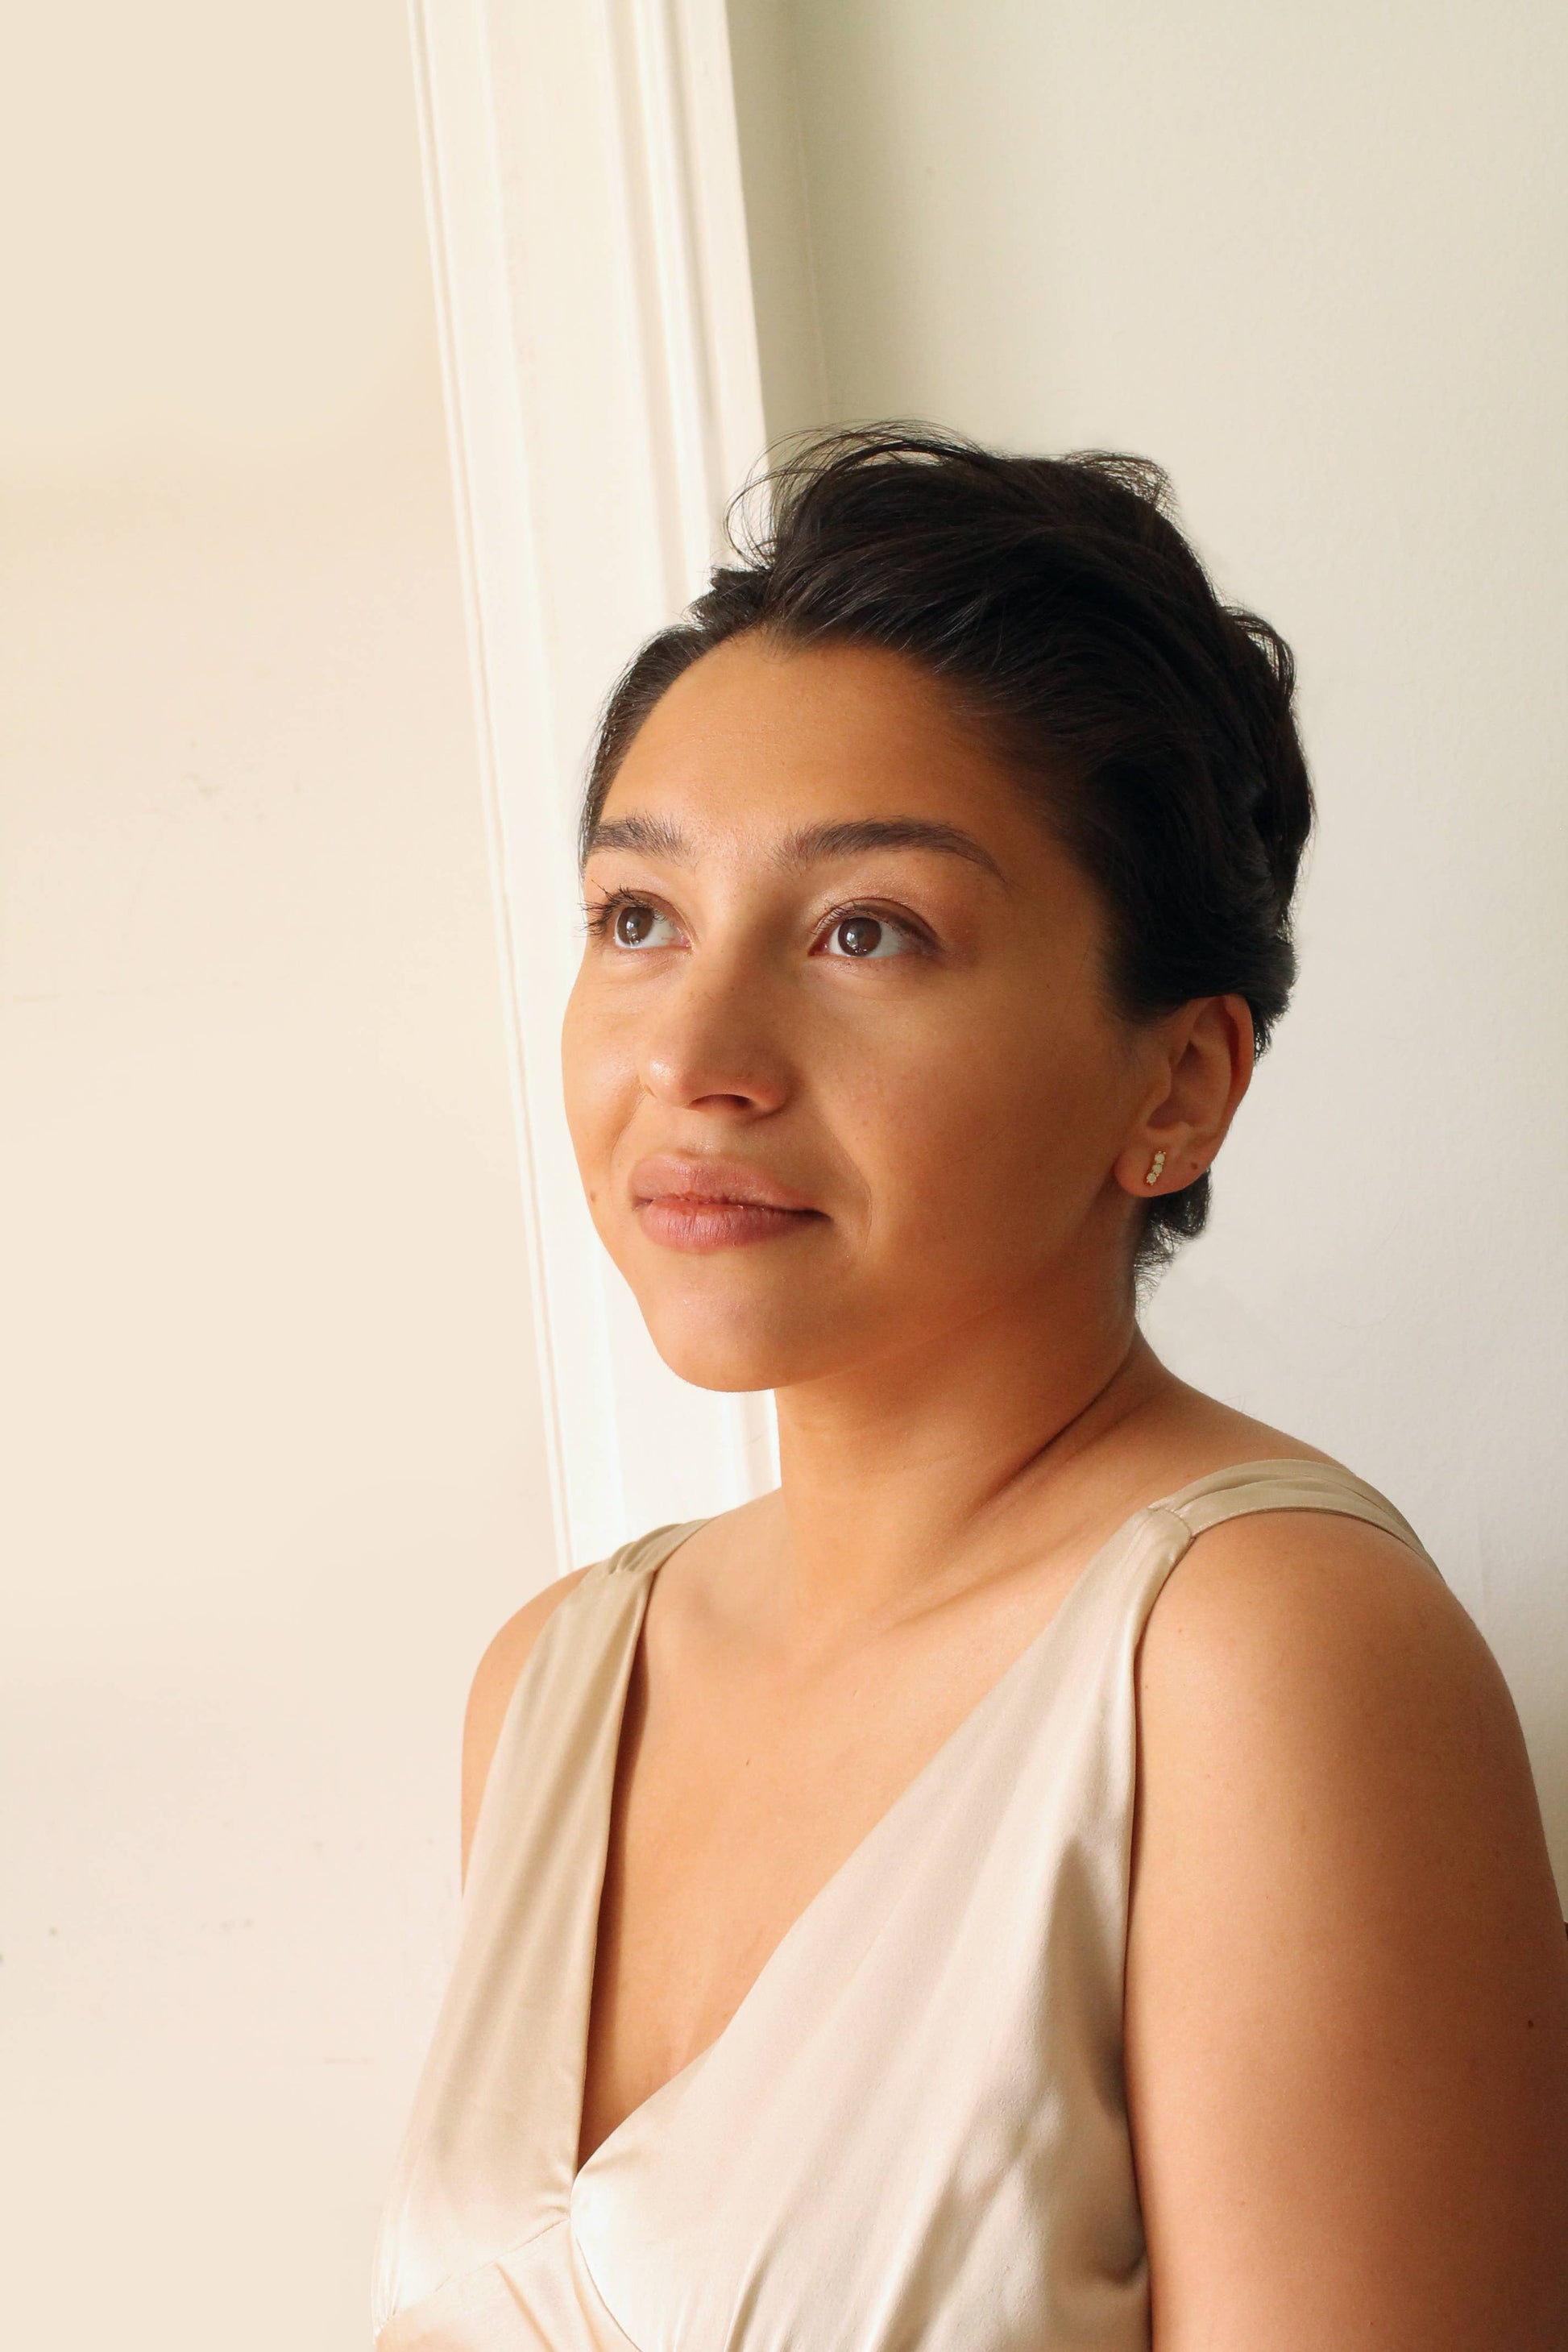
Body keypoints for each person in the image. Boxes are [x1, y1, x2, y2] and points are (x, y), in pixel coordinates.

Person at [373, 429, 1568, 2350]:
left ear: (1175, 1083)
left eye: (867, 929)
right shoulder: (552, 1679)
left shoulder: (1257, 1655)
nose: (695, 1051)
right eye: (637, 916)